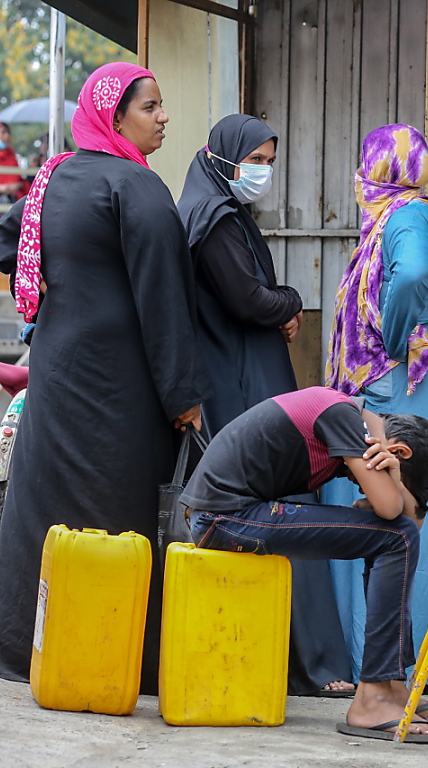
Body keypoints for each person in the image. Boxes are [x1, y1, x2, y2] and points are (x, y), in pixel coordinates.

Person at [0, 63, 209, 691]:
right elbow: (164, 301)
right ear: (115, 116)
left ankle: (22, 646)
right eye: (150, 107)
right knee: (120, 514)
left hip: (58, 377)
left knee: (44, 511)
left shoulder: (53, 178)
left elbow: (11, 244)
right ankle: (119, 656)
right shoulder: (136, 188)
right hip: (119, 389)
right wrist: (185, 398)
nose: (164, 117)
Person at [177, 114, 351, 698]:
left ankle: (289, 653)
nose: (263, 173)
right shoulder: (219, 218)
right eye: (255, 161)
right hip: (242, 381)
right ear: (225, 157)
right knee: (284, 500)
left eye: (271, 163)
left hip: (235, 372)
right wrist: (291, 301)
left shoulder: (208, 204)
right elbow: (250, 298)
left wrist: (277, 308)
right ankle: (313, 661)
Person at [180, 386, 428, 743]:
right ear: (398, 451)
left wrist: (397, 493)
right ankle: (373, 699)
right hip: (224, 517)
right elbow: (391, 510)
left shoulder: (351, 422)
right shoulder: (342, 416)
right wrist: (395, 485)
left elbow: (400, 517)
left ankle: (392, 686)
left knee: (396, 535)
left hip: (229, 515)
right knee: (396, 537)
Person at [323, 123, 428, 685]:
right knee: (416, 503)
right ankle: (410, 661)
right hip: (416, 372)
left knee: (389, 505)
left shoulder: (403, 214)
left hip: (403, 371)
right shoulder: (409, 213)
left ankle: (377, 664)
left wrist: (390, 343)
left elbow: (408, 278)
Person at [0, 122, 28, 203]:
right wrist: (2, 188)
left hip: (14, 197)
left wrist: (18, 185)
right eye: (3, 132)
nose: (7, 136)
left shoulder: (11, 154)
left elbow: (19, 179)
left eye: (8, 132)